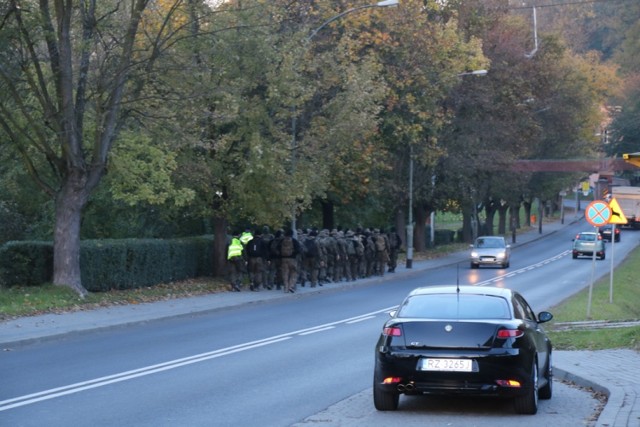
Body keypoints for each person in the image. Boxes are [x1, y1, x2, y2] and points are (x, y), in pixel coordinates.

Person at [277, 228, 302, 293]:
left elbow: (277, 248)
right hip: (292, 259)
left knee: (285, 273)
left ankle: (286, 287)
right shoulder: (294, 241)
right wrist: (294, 254)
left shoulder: (282, 240)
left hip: (283, 259)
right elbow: (298, 249)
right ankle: (291, 286)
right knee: (293, 272)